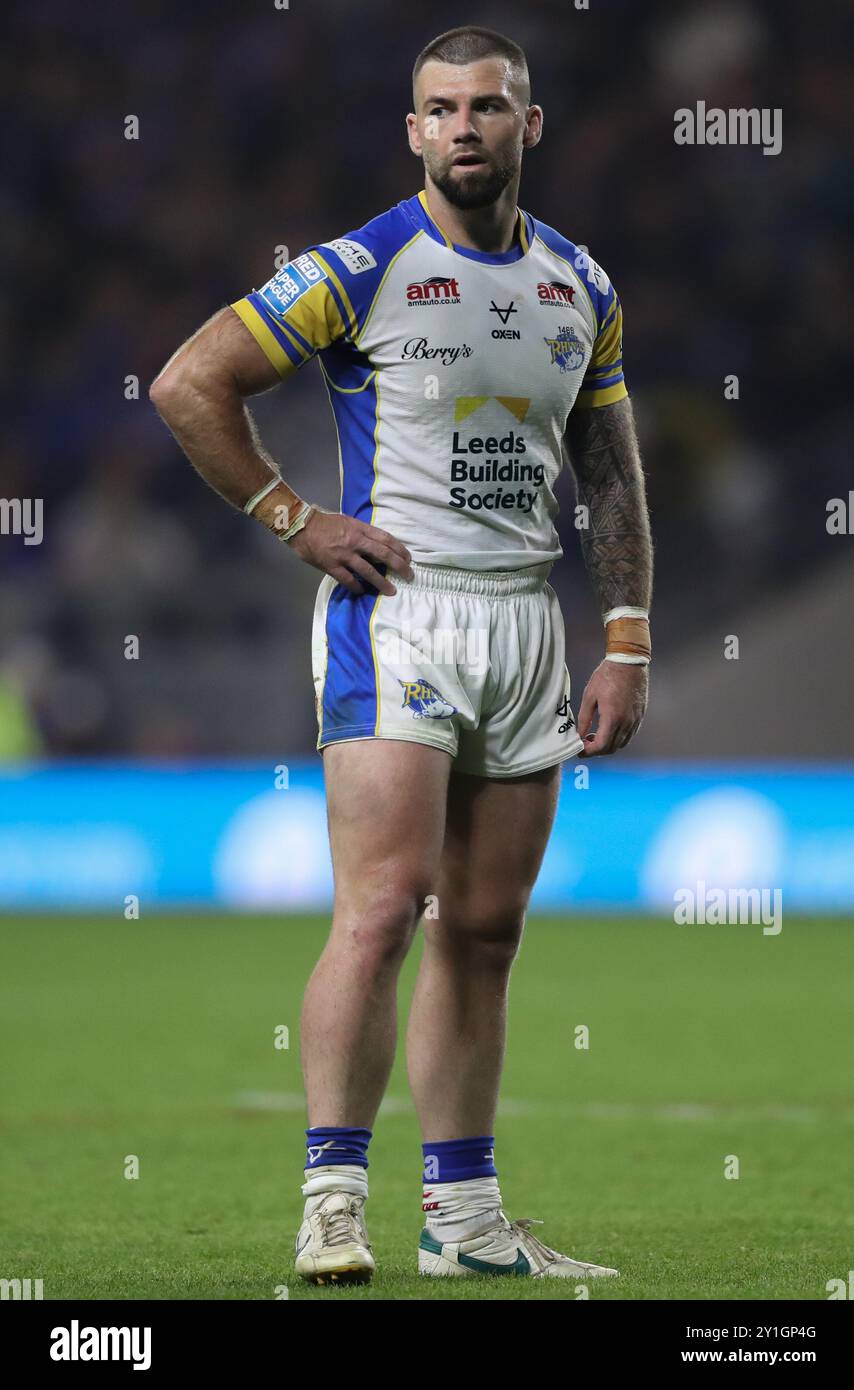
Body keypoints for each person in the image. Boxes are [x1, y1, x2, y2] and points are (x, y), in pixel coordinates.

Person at [150, 24, 653, 1284]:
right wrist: (293, 518)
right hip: (399, 613)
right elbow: (188, 383)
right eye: (439, 110)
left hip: (525, 622)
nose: (463, 128)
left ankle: (463, 1219)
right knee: (383, 907)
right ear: (412, 130)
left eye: (487, 107)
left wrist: (627, 635)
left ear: (526, 126)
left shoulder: (580, 287)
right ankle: (331, 1201)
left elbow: (607, 470)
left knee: (484, 927)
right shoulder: (358, 267)